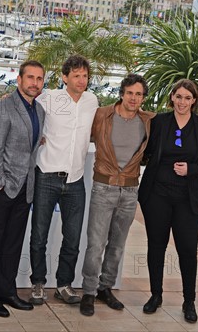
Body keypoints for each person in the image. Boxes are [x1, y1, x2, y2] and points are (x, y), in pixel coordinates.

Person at [138, 79, 198, 324]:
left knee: (187, 250)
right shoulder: (159, 122)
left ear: (194, 101)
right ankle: (155, 295)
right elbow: (145, 151)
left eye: (188, 97)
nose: (182, 102)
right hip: (157, 196)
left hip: (188, 199)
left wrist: (192, 169)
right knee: (156, 247)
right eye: (179, 96)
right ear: (172, 97)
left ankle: (189, 301)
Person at [79, 73, 155, 316]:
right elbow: (77, 130)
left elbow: (177, 129)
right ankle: (89, 292)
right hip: (104, 187)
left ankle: (105, 288)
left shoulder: (149, 121)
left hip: (131, 190)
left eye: (139, 94)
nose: (134, 98)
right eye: (130, 93)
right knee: (95, 245)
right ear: (122, 93)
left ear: (143, 98)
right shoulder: (102, 115)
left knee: (118, 245)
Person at [0, 60, 46, 318]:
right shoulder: (3, 108)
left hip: (26, 189)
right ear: (19, 80)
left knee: (13, 243)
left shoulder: (39, 111)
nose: (34, 83)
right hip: (2, 188)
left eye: (39, 79)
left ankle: (7, 290)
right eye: (30, 77)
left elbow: (31, 146)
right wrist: (1, 184)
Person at [29, 54, 98, 305]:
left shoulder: (92, 101)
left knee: (73, 237)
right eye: (77, 75)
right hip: (46, 175)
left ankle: (64, 284)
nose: (82, 80)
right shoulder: (48, 97)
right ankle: (37, 283)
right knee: (39, 235)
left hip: (75, 180)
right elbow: (24, 107)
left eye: (85, 76)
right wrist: (37, 137)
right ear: (64, 77)